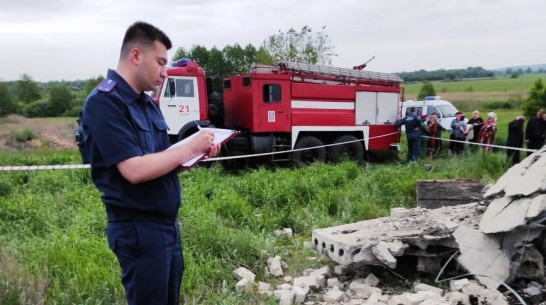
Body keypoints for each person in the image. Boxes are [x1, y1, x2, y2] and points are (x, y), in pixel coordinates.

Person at [80, 22, 220, 305]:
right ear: (135, 56)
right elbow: (134, 170)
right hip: (139, 229)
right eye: (160, 62)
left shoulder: (146, 103)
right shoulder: (105, 103)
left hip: (166, 226)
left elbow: (161, 160)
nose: (165, 72)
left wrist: (195, 155)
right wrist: (189, 145)